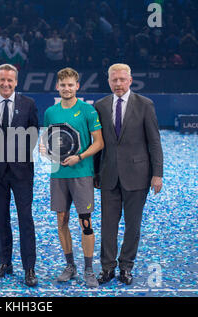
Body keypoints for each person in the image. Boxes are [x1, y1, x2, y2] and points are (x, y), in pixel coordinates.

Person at [94, 63, 163, 286]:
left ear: (130, 81)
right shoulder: (100, 105)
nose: (118, 84)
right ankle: (107, 268)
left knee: (133, 226)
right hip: (109, 176)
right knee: (108, 225)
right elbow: (98, 143)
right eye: (114, 80)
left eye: (122, 79)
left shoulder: (145, 105)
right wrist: (96, 173)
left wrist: (157, 174)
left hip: (138, 175)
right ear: (109, 82)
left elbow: (154, 141)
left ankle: (126, 267)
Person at [40, 68, 104, 288]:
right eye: (63, 85)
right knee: (61, 221)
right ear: (57, 86)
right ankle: (70, 266)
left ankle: (88, 269)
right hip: (58, 174)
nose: (66, 88)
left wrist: (80, 157)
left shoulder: (88, 110)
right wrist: (44, 149)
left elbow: (99, 143)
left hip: (82, 174)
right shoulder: (50, 112)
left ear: (77, 86)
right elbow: (50, 141)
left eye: (70, 85)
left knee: (85, 222)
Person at [0, 64, 39, 287]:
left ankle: (29, 268)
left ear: (16, 82)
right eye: (2, 80)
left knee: (25, 220)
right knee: (1, 220)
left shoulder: (29, 104)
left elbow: (33, 135)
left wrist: (15, 156)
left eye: (10, 81)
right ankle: (5, 263)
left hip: (21, 172)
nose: (6, 84)